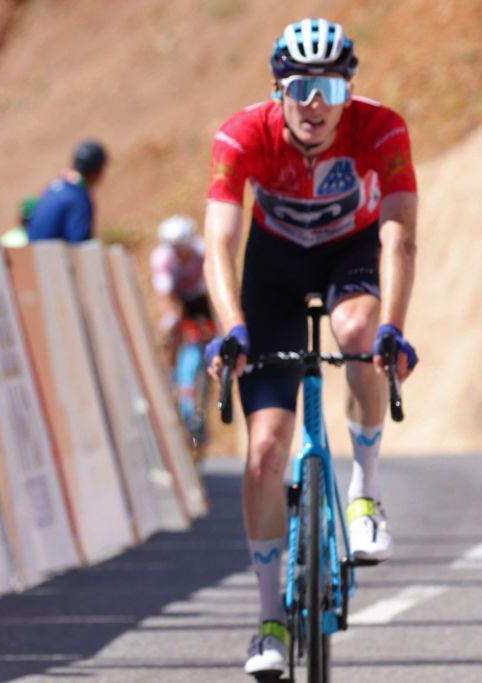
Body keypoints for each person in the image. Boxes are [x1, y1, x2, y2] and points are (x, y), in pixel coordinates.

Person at [202, 18, 418, 679]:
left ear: (348, 88)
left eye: (329, 85)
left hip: (349, 253)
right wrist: (232, 325)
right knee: (266, 448)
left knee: (357, 335)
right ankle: (268, 618)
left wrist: (394, 327)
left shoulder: (381, 129)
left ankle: (364, 492)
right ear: (278, 90)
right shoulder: (242, 134)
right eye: (301, 86)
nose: (315, 103)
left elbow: (399, 239)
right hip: (272, 268)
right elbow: (219, 242)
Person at [26, 140, 107, 243]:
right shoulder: (79, 197)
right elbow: (80, 245)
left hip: (33, 255)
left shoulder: (52, 188)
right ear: (97, 171)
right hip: (52, 257)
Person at [150, 214, 211, 344]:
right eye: (175, 248)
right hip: (177, 296)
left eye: (182, 247)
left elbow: (213, 278)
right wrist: (172, 315)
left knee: (210, 328)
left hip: (200, 291)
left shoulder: (202, 249)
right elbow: (165, 294)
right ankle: (172, 360)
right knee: (171, 328)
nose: (180, 252)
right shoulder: (162, 259)